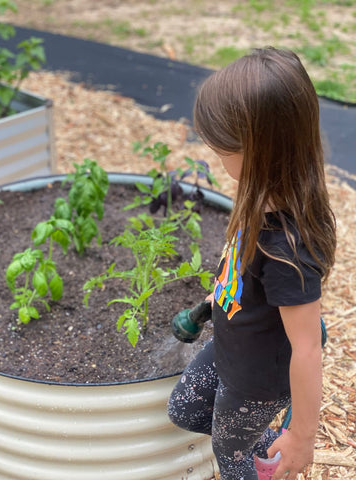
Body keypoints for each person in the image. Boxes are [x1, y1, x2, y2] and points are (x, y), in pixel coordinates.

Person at [168, 47, 336, 480]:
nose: (215, 156)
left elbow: (307, 348)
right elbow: (243, 268)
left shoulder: (286, 247)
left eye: (222, 148)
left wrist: (301, 437)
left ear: (259, 151)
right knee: (184, 409)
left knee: (232, 458)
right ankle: (262, 446)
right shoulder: (258, 195)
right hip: (233, 347)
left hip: (256, 382)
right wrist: (220, 293)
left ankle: (261, 460)